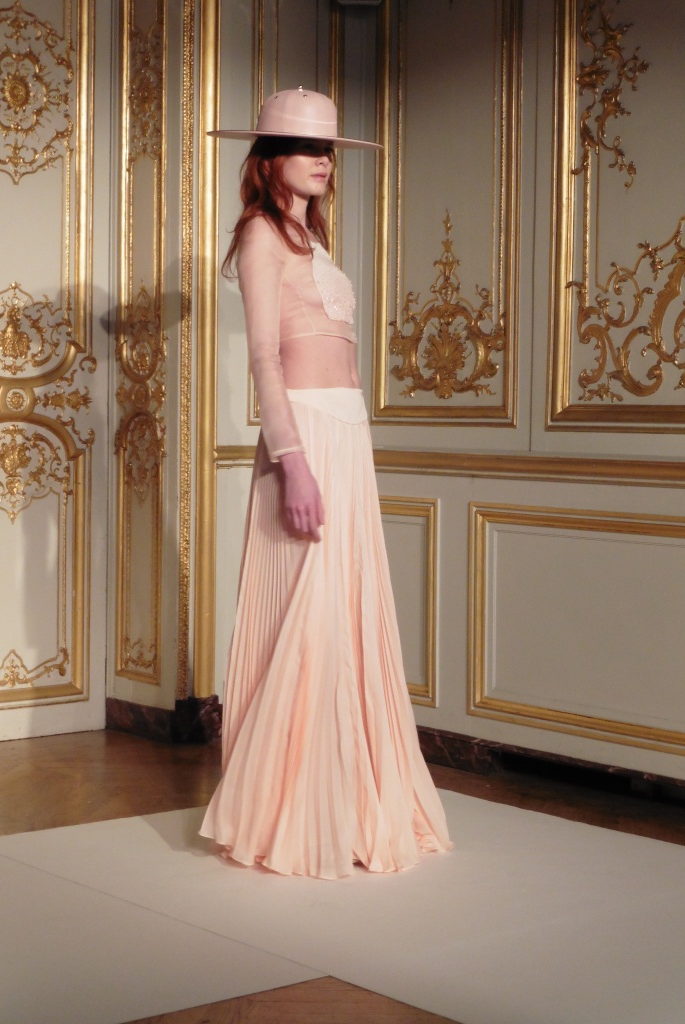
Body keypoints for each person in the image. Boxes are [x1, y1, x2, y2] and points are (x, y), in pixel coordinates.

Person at [200, 87, 451, 878]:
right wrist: (294, 459)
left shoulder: (313, 238)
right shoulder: (258, 234)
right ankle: (287, 810)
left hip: (348, 435)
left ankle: (347, 802)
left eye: (329, 149)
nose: (322, 160)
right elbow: (264, 359)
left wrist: (337, 445)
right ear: (270, 158)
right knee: (305, 618)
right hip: (305, 438)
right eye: (307, 148)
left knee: (346, 614)